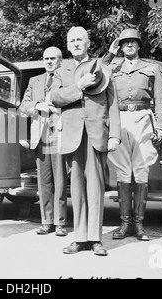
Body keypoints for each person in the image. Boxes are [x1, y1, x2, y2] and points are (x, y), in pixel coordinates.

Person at [50, 26, 121, 256]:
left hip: (96, 133)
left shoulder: (101, 68)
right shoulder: (62, 70)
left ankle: (95, 239)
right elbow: (55, 97)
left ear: (88, 43)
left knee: (96, 187)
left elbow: (113, 104)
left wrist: (115, 135)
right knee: (77, 188)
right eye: (72, 41)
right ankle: (79, 238)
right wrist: (78, 86)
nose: (76, 43)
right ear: (68, 46)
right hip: (72, 135)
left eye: (80, 39)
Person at [103, 28, 162, 241]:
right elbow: (96, 74)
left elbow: (160, 100)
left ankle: (139, 225)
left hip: (142, 120)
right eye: (125, 42)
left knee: (140, 171)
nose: (129, 45)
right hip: (119, 121)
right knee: (123, 171)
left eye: (133, 42)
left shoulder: (152, 68)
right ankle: (124, 224)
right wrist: (110, 54)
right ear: (120, 46)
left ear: (139, 45)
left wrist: (160, 127)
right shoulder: (112, 67)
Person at [20, 46, 68, 237]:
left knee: (61, 181)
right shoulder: (35, 80)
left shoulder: (66, 79)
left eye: (53, 58)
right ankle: (47, 222)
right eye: (46, 58)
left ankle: (61, 223)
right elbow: (23, 106)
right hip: (41, 136)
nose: (49, 61)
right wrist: (38, 105)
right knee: (44, 181)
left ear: (60, 61)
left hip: (60, 134)